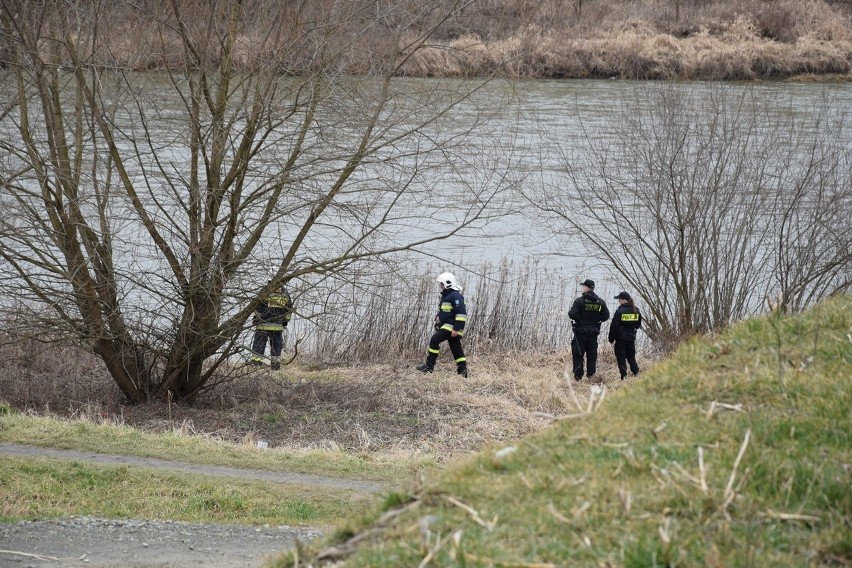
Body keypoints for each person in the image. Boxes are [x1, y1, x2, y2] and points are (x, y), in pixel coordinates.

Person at [416, 272, 469, 377]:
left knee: (434, 340)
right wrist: (439, 321)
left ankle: (429, 366)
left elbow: (461, 314)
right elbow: (446, 312)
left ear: (447, 284)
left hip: (452, 327)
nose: (440, 286)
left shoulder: (455, 296)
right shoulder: (447, 296)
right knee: (456, 349)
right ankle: (463, 372)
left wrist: (456, 329)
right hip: (448, 326)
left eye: (442, 284)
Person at [568, 279, 610, 381]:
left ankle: (578, 377)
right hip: (593, 332)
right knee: (592, 354)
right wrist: (596, 319)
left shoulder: (579, 301)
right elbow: (606, 316)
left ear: (587, 288)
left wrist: (580, 318)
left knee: (578, 354)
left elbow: (572, 314)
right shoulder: (600, 302)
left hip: (580, 332)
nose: (582, 288)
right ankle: (591, 375)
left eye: (583, 286)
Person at [249, 282, 294, 370]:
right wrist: (285, 321)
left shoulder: (265, 291)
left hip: (263, 325)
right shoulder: (284, 292)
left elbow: (256, 306)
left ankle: (256, 366)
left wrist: (257, 318)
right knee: (276, 346)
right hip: (277, 327)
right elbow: (289, 308)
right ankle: (275, 367)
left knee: (259, 345)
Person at [608, 291, 642, 380]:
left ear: (623, 300)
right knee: (631, 357)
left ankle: (624, 376)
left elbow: (614, 326)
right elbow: (638, 325)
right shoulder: (636, 310)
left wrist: (611, 338)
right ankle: (635, 372)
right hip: (631, 338)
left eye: (619, 299)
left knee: (621, 357)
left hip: (620, 339)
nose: (619, 301)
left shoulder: (620, 311)